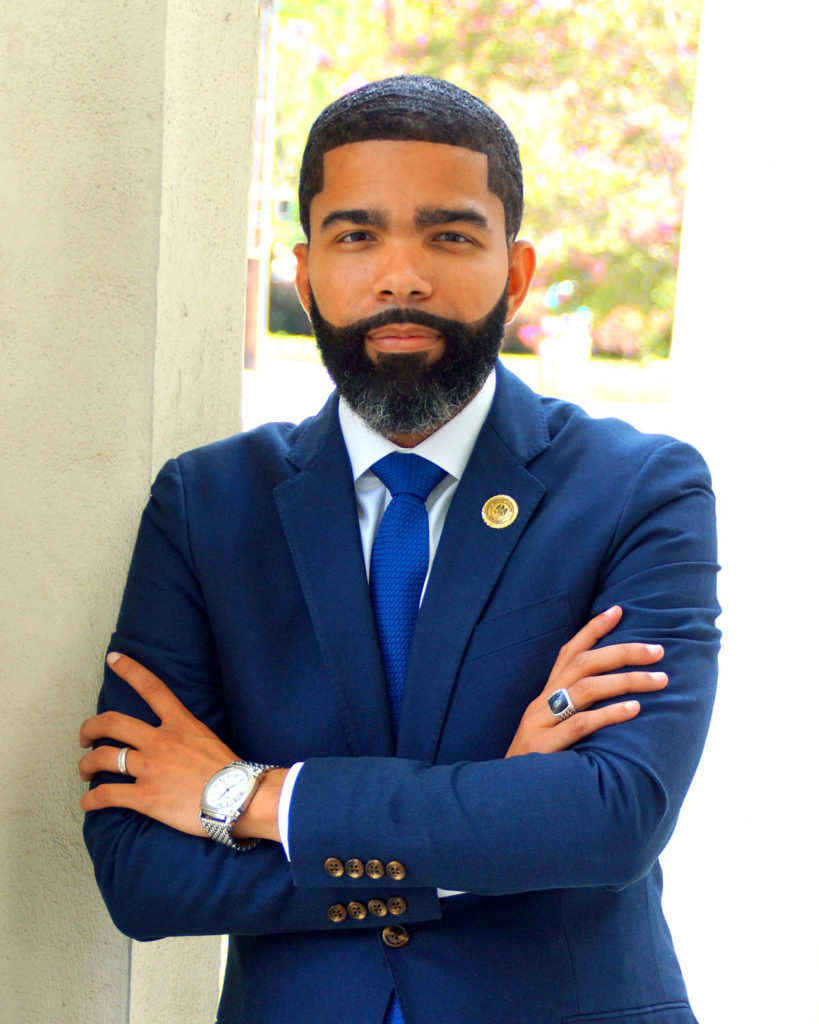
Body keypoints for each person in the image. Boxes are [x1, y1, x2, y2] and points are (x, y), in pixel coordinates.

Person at [80, 76, 720, 1024]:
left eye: (449, 234)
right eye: (357, 235)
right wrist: (494, 826)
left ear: (516, 270)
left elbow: (611, 817)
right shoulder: (206, 505)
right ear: (305, 276)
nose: (400, 276)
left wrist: (245, 799)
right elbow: (144, 875)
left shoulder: (639, 489)